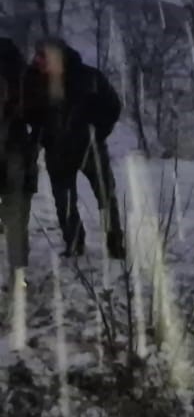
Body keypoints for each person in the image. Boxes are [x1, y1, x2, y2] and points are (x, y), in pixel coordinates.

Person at [31, 38, 123, 259]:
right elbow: (33, 114)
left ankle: (114, 243)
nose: (38, 61)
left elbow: (113, 106)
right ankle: (74, 243)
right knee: (64, 202)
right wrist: (42, 136)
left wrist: (97, 133)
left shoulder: (88, 77)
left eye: (43, 56)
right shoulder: (38, 82)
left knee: (105, 198)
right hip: (58, 151)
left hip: (90, 149)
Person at [0, 39, 40, 274]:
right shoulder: (25, 77)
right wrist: (34, 142)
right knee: (16, 213)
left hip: (13, 147)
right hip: (17, 148)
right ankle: (18, 273)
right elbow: (40, 115)